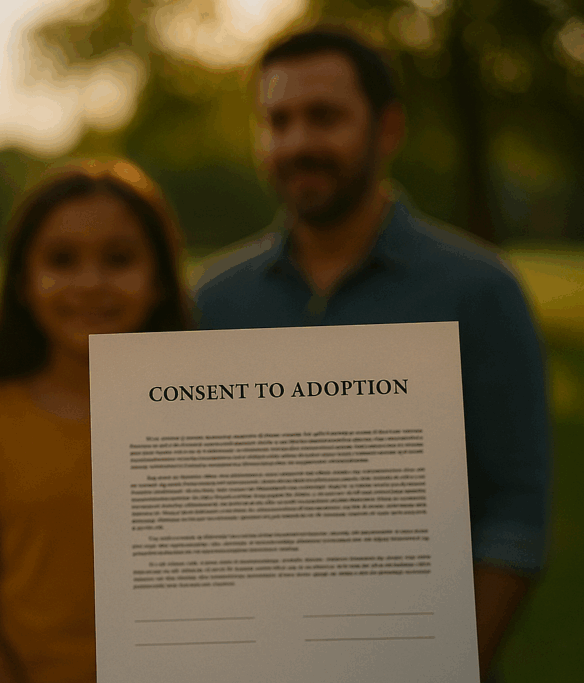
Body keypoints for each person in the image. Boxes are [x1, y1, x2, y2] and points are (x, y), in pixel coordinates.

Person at [194, 29, 550, 681]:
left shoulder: (478, 289)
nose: (298, 141)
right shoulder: (211, 302)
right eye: (278, 120)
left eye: (324, 116)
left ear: (387, 128)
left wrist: (447, 661)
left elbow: (517, 514)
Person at [0, 161, 192, 683]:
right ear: (23, 281)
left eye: (119, 260)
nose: (90, 284)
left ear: (159, 280)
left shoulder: (205, 417)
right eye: (62, 261)